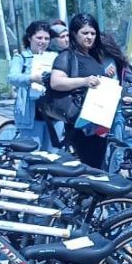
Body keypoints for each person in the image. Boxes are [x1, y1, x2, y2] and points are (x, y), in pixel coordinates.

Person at [48, 13, 111, 168]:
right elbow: (55, 82)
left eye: (93, 33)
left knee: (98, 164)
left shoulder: (93, 57)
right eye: (84, 33)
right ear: (74, 34)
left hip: (98, 118)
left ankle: (90, 192)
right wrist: (84, 81)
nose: (89, 37)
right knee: (92, 166)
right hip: (80, 120)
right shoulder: (67, 56)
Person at [6, 21, 61, 150]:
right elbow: (12, 77)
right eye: (39, 37)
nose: (43, 41)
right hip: (31, 114)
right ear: (30, 38)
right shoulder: (21, 58)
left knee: (53, 156)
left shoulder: (54, 57)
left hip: (54, 113)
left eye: (46, 38)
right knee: (31, 155)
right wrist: (31, 78)